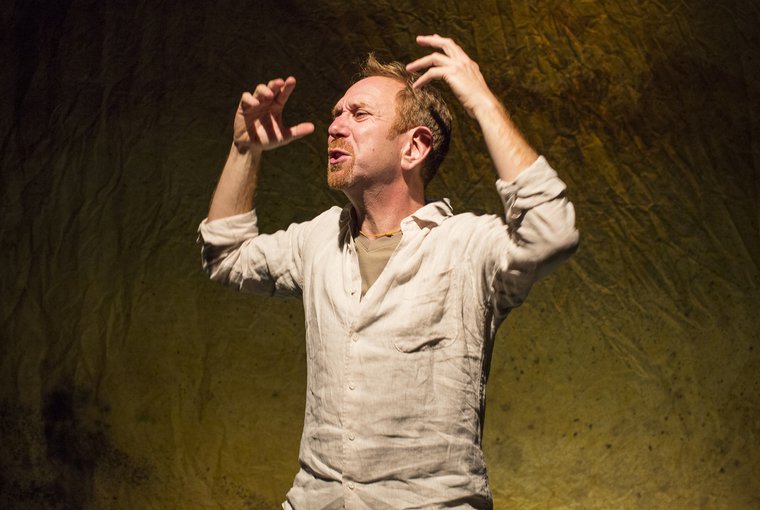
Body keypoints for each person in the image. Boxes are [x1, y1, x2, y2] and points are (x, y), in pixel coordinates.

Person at [198, 34, 578, 510]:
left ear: (414, 148)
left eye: (359, 114)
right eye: (337, 113)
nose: (336, 126)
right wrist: (244, 151)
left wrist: (481, 102)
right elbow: (226, 254)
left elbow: (551, 232)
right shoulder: (319, 240)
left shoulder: (465, 246)